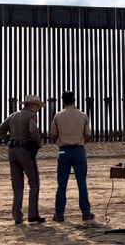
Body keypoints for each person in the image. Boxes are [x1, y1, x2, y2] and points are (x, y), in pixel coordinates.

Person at [0, 95, 46, 225]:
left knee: (17, 185)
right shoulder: (31, 116)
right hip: (25, 151)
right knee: (34, 182)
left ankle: (17, 217)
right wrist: (39, 143)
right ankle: (33, 215)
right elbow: (33, 130)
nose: (38, 109)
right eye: (37, 106)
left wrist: (9, 139)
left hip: (12, 151)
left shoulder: (13, 115)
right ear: (31, 106)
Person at [50, 91, 94, 222]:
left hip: (63, 150)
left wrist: (62, 142)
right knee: (81, 182)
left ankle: (59, 214)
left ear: (63, 101)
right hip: (79, 150)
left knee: (62, 182)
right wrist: (79, 143)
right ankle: (85, 212)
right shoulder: (82, 115)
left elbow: (54, 134)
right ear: (75, 100)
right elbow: (87, 136)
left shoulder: (58, 116)